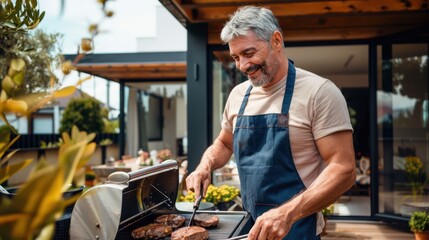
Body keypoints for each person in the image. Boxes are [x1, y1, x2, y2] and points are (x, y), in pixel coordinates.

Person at [185, 5, 356, 240]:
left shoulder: (319, 92)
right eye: (236, 57)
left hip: (298, 228)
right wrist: (204, 166)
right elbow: (224, 144)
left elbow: (343, 169)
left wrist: (286, 214)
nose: (243, 65)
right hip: (249, 229)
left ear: (276, 40)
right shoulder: (237, 95)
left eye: (249, 53)